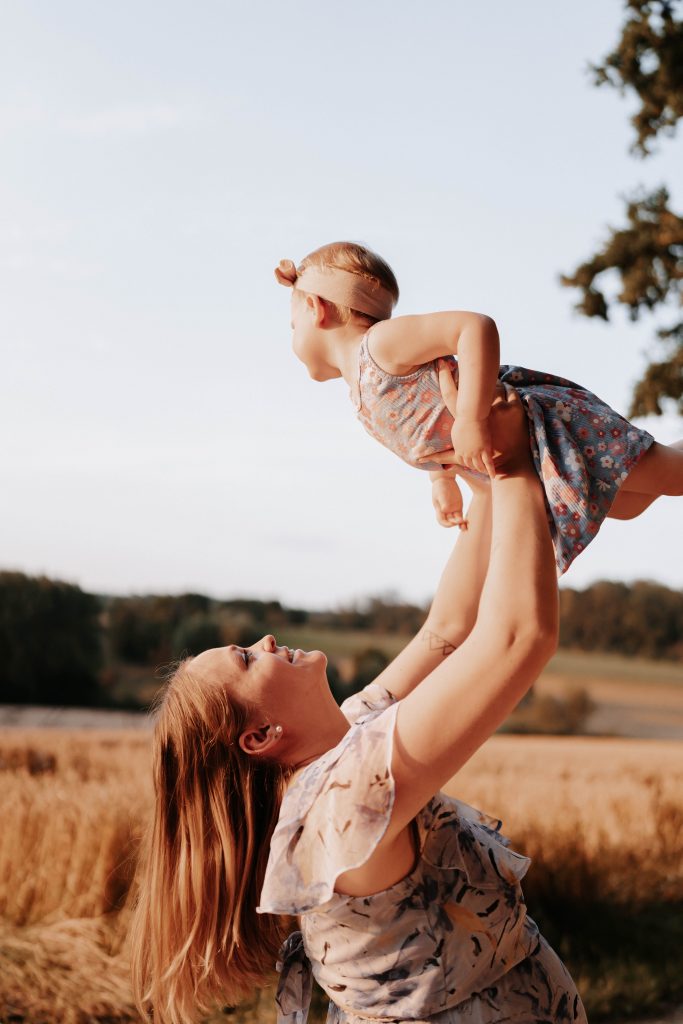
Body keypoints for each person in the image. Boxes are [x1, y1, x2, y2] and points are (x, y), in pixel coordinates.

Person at [129, 390, 587, 1024]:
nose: (264, 640)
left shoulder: (348, 734)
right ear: (260, 735)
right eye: (244, 658)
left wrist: (475, 481)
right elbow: (515, 639)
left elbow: (444, 633)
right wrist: (511, 468)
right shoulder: (339, 802)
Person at [275, 241, 683, 575]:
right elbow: (428, 427)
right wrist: (441, 480)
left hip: (547, 431)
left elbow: (475, 326)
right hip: (530, 461)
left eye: (293, 326)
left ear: (316, 307)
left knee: (671, 475)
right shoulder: (361, 395)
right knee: (628, 505)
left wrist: (471, 417)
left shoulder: (379, 346)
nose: (293, 337)